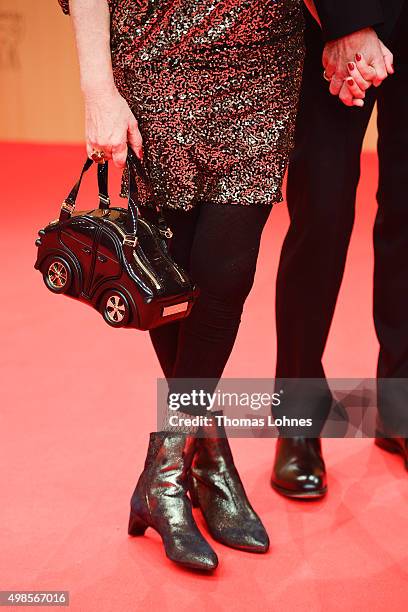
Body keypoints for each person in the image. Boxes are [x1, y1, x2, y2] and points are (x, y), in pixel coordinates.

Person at [57, 0, 308, 570]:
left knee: (226, 274)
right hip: (156, 52)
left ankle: (164, 473)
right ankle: (206, 460)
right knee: (171, 281)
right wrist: (98, 88)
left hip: (262, 55)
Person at [271, 0, 408, 500]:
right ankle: (298, 415)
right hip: (345, 13)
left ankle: (398, 405)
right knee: (322, 211)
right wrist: (347, 17)